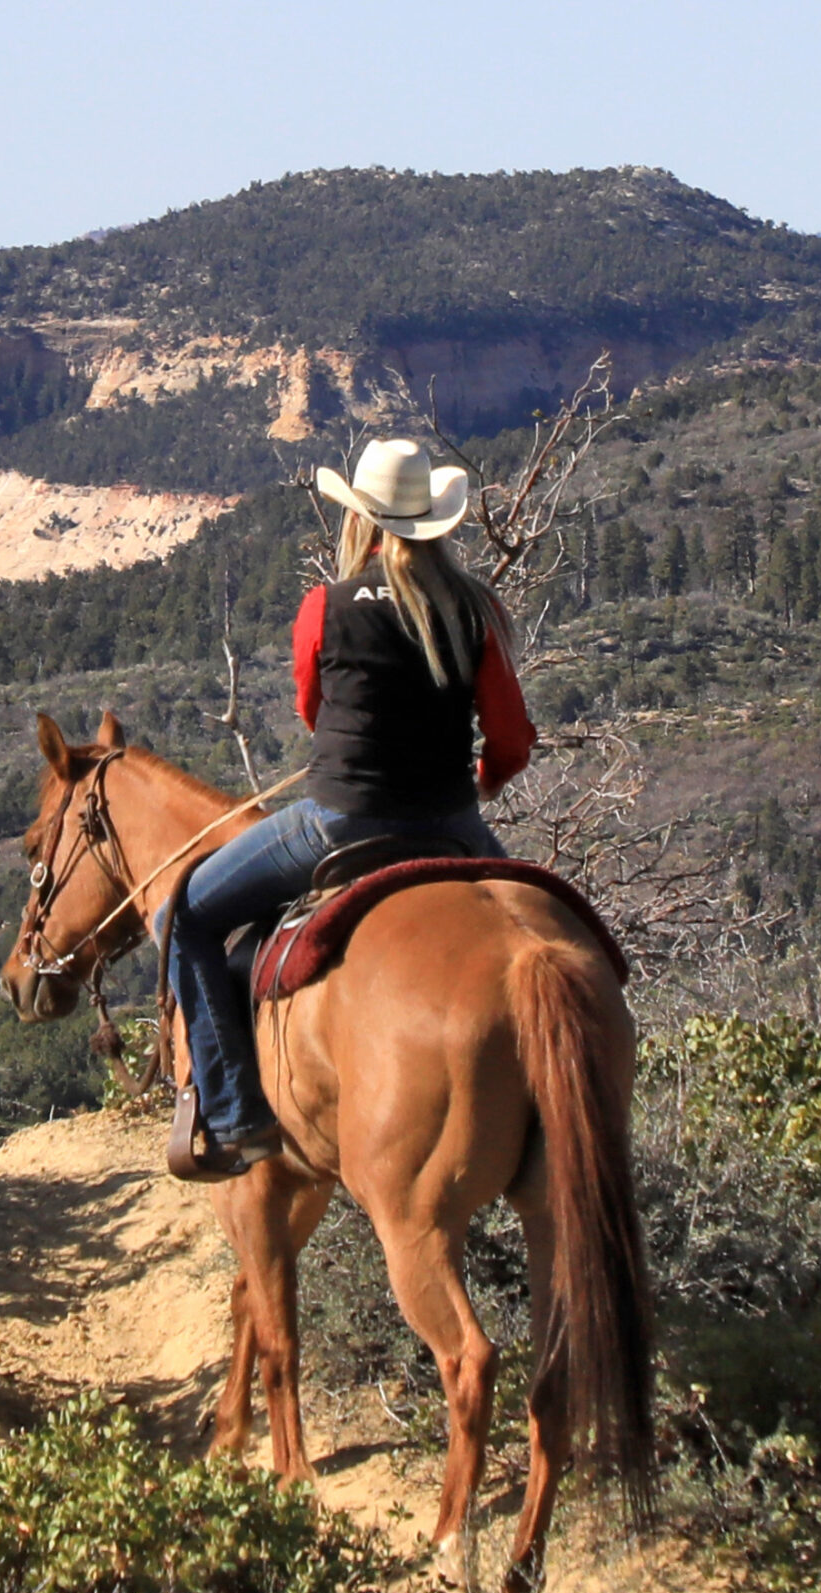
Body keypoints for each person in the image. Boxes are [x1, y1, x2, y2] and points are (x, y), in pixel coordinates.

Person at [164, 437, 538, 1176]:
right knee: (537, 930)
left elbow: (313, 711)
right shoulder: (475, 610)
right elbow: (512, 740)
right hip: (452, 824)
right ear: (434, 522)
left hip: (339, 822)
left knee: (186, 916)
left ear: (359, 522)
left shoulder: (326, 607)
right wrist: (482, 781)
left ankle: (237, 1116)